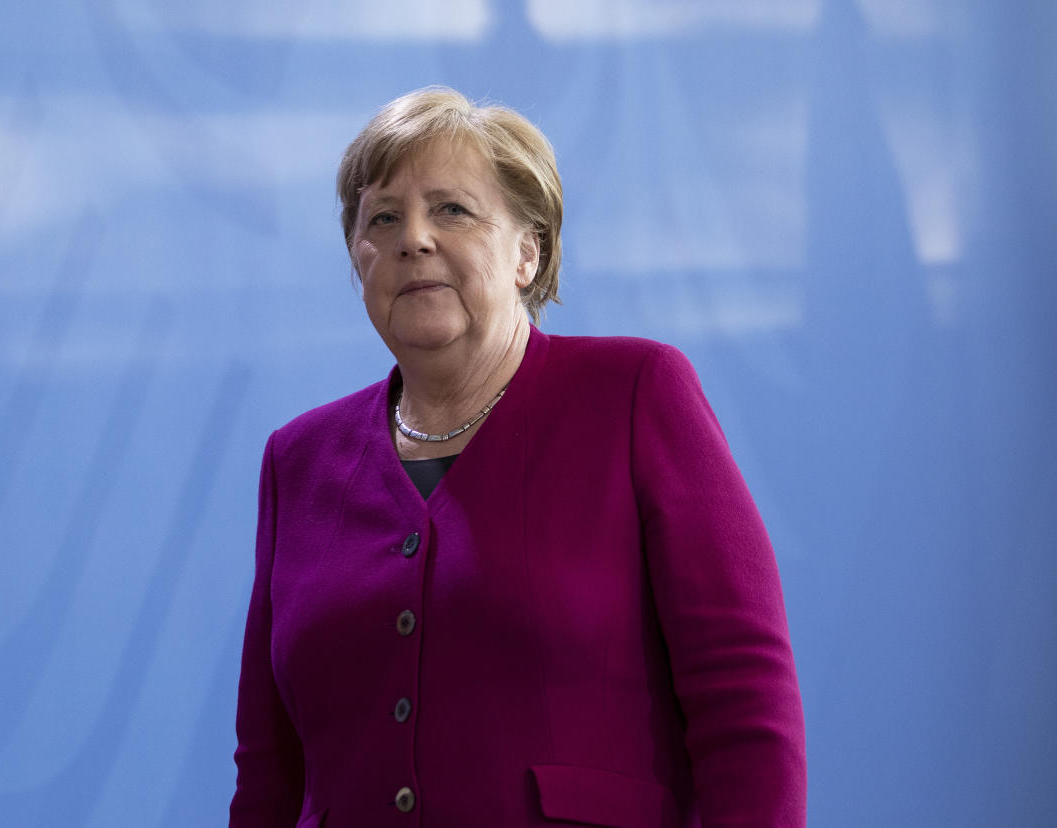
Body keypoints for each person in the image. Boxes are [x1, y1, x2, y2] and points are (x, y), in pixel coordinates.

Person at [228, 86, 806, 828]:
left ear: (527, 253)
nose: (414, 239)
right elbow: (268, 768)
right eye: (383, 218)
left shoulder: (636, 395)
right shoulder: (296, 462)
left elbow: (745, 703)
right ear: (357, 258)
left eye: (452, 210)